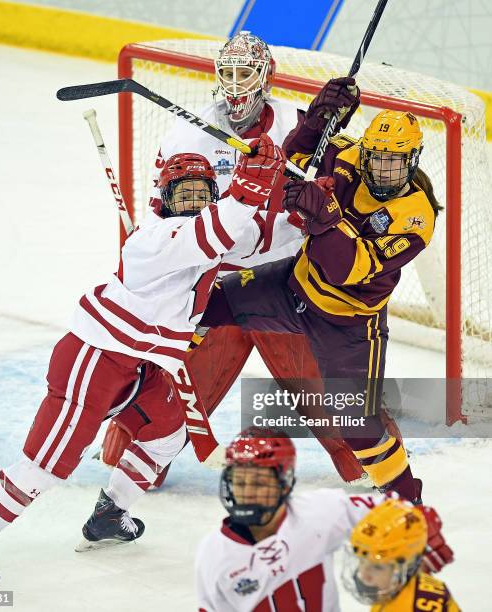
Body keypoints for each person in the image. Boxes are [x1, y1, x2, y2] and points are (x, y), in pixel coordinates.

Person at [0, 142, 288, 589]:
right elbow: (217, 232)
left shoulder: (204, 236)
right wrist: (250, 183)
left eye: (203, 195)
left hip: (138, 367)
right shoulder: (155, 240)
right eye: (184, 195)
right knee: (47, 464)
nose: (195, 204)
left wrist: (305, 207)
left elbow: (260, 237)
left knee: (168, 433)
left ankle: (110, 513)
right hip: (93, 361)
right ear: (164, 200)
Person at [101, 31, 365, 485]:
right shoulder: (188, 134)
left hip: (284, 277)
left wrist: (331, 121)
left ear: (265, 79)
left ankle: (369, 460)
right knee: (180, 394)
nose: (236, 85)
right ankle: (136, 454)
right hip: (215, 281)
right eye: (229, 73)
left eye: (247, 74)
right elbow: (166, 218)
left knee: (320, 387)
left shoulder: (292, 123)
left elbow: (337, 179)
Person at [200, 77, 443, 503]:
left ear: (413, 160)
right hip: (294, 285)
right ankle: (136, 386)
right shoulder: (348, 156)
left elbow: (346, 269)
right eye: (378, 159)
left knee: (357, 424)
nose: (384, 170)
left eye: (395, 162)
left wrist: (322, 212)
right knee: (203, 303)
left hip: (348, 325)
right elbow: (294, 160)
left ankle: (408, 501)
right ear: (365, 152)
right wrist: (318, 120)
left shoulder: (415, 216)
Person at [195, 428, 452, 611]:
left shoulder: (320, 511)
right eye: (239, 481)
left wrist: (421, 527)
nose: (246, 491)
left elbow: (397, 510)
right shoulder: (214, 554)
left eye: (259, 482)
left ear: (284, 483)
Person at [342, 499, 458, 610]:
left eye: (377, 567)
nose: (363, 574)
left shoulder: (411, 607)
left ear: (408, 566)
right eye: (362, 560)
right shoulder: (395, 590)